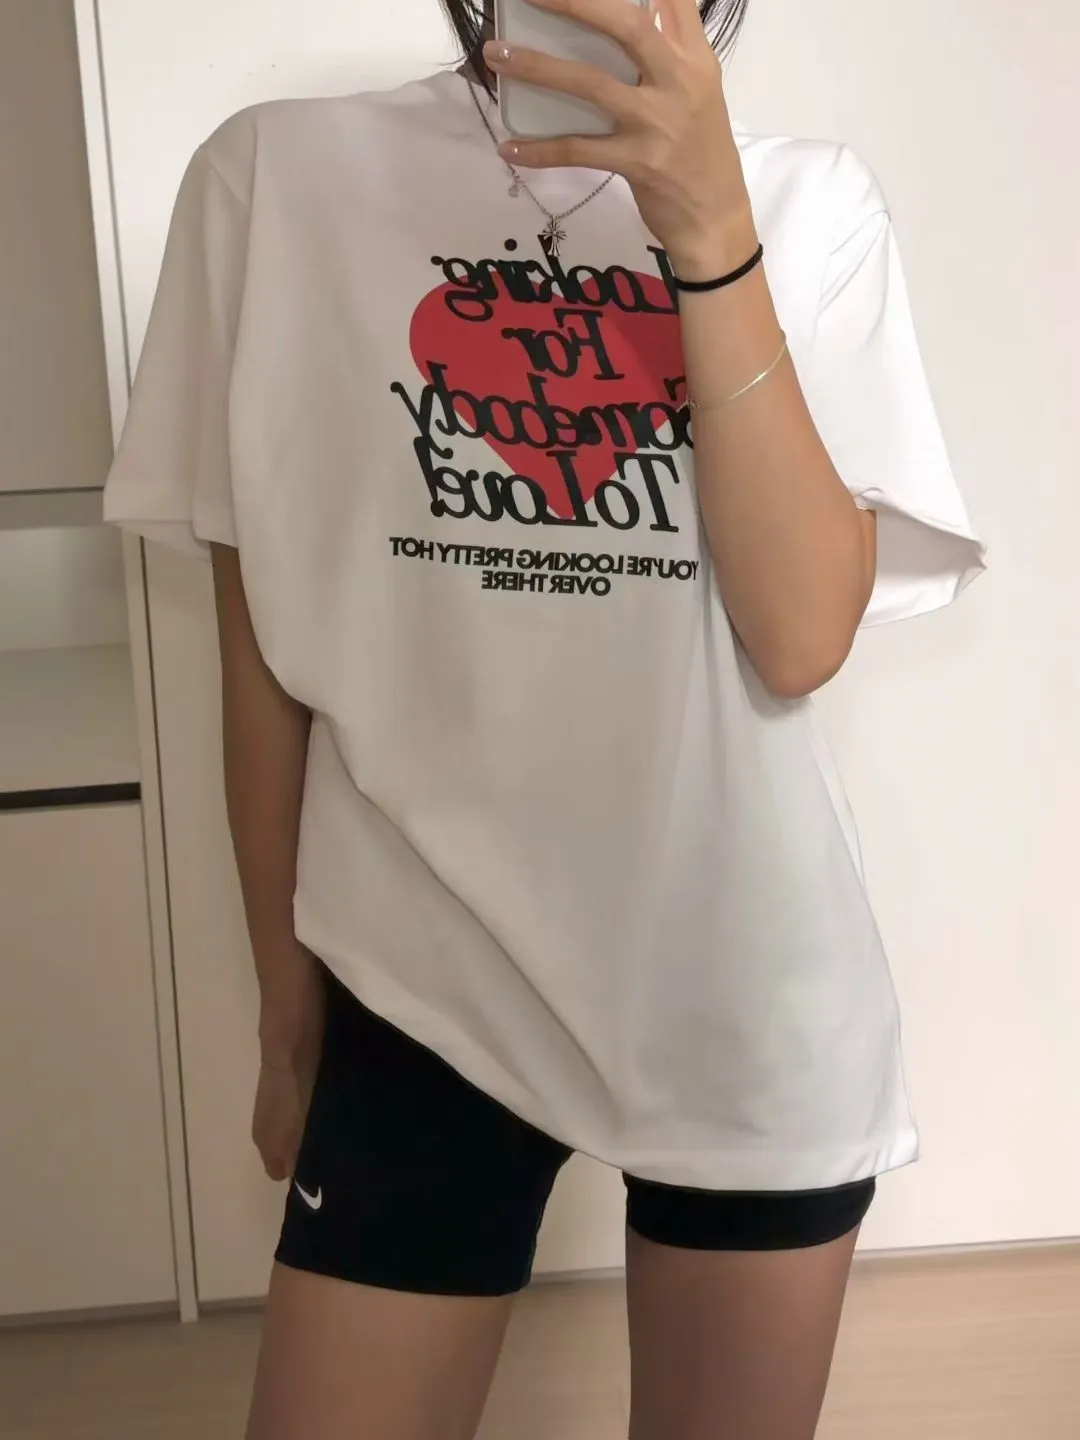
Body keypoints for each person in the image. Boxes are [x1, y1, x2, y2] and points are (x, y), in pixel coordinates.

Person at [104, 0, 985, 1435]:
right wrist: (284, 1000)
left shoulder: (810, 203)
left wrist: (711, 235)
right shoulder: (274, 179)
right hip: (418, 981)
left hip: (737, 985)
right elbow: (259, 637)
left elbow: (799, 635)